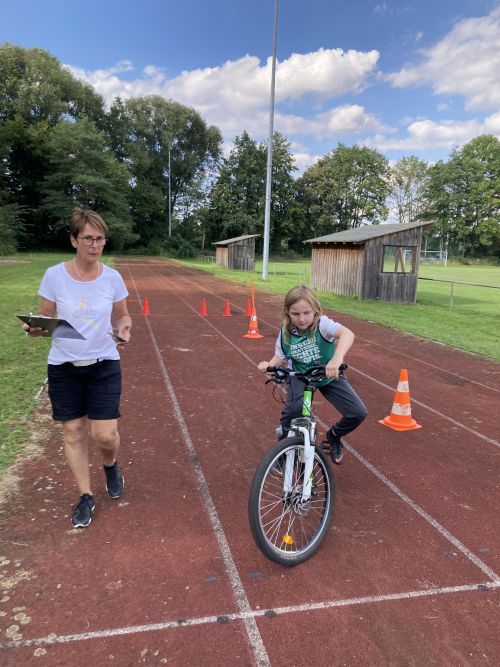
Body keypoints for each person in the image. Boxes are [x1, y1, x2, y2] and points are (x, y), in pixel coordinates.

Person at [22, 209, 132, 528]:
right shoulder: (54, 276)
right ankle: (85, 495)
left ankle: (110, 465)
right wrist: (35, 328)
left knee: (105, 435)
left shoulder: (112, 278)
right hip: (64, 366)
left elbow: (123, 316)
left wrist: (124, 329)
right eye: (88, 238)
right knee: (72, 432)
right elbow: (46, 318)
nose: (95, 245)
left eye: (100, 239)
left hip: (104, 363)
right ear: (74, 240)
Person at [258, 284, 367, 465]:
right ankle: (283, 451)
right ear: (287, 313)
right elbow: (281, 355)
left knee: (357, 412)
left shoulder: (322, 324)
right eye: (295, 314)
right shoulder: (285, 332)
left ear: (316, 310)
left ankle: (334, 436)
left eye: (306, 313)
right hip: (300, 376)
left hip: (327, 374)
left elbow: (347, 334)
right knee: (294, 410)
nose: (301, 319)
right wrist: (269, 365)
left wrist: (336, 359)